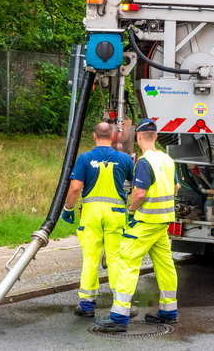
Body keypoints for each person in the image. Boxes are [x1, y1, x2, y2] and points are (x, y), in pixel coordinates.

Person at [96, 118, 180, 332]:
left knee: (127, 262)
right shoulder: (168, 160)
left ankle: (119, 317)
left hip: (145, 222)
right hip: (163, 223)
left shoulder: (144, 162)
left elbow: (140, 194)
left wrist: (132, 210)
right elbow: (177, 186)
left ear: (139, 137)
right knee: (165, 265)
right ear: (157, 137)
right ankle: (169, 312)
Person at [62, 122, 135, 318]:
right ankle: (121, 304)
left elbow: (76, 187)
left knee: (90, 260)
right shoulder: (125, 159)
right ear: (112, 137)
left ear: (94, 137)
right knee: (115, 259)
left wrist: (68, 209)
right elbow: (136, 185)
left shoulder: (85, 158)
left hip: (91, 216)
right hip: (116, 215)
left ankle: (87, 306)